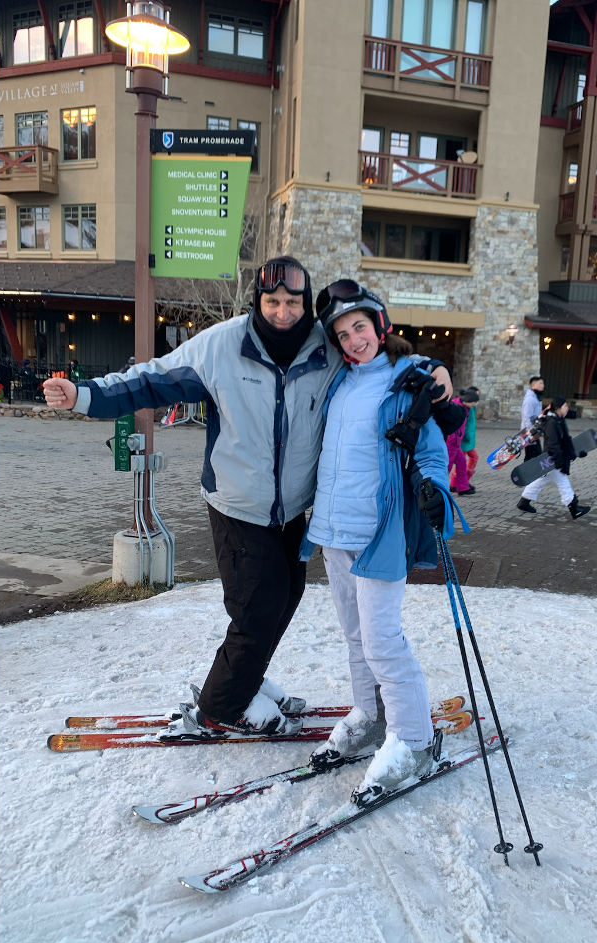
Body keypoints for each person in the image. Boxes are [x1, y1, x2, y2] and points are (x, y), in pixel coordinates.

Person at [42, 257, 454, 740]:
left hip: (295, 512)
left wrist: (434, 368)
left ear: (306, 305)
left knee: (285, 598)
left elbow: (384, 361)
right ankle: (223, 706)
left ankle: (249, 679)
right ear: (257, 302)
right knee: (256, 609)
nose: (282, 312)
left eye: (293, 302)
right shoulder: (223, 345)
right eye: (272, 301)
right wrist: (83, 395)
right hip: (238, 505)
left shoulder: (326, 344)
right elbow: (152, 379)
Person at [301, 281, 467, 803]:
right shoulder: (339, 384)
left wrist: (435, 490)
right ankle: (370, 716)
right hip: (332, 530)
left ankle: (415, 741)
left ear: (379, 325)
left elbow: (434, 449)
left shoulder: (406, 379)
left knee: (382, 641)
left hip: (379, 533)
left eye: (360, 328)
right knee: (354, 638)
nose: (353, 340)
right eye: (343, 334)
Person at [517, 396, 591, 519]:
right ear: (558, 407)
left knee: (541, 480)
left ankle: (524, 502)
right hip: (553, 458)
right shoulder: (552, 422)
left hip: (552, 458)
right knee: (563, 482)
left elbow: (565, 440)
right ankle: (574, 508)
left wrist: (576, 452)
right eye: (564, 406)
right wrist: (559, 460)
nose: (566, 408)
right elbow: (553, 444)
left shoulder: (558, 419)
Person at [449, 388, 480, 494]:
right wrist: (454, 438)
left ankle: (462, 487)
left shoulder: (464, 408)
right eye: (473, 402)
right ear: (467, 400)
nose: (475, 404)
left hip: (457, 442)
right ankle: (440, 487)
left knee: (462, 463)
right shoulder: (456, 408)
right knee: (447, 467)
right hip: (451, 442)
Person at [521, 376, 546, 460]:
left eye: (543, 383)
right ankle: (524, 472)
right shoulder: (530, 399)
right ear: (534, 385)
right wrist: (532, 430)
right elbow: (526, 417)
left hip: (535, 431)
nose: (543, 385)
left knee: (534, 454)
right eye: (540, 383)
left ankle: (527, 472)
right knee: (532, 455)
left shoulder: (537, 398)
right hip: (529, 433)